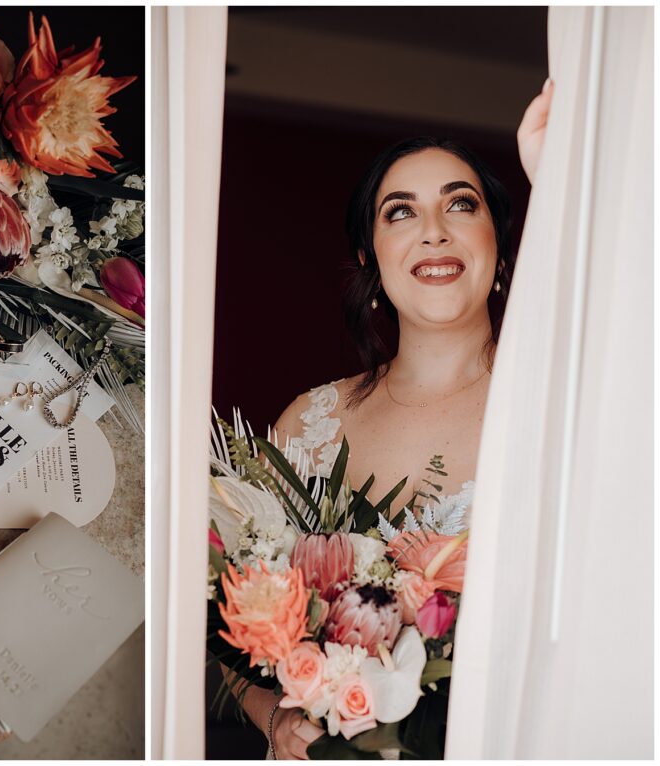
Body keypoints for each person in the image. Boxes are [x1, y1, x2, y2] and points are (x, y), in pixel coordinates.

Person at [230, 79, 555, 760]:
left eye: (460, 205)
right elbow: (233, 628)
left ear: (499, 245)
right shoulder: (307, 424)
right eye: (400, 212)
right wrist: (278, 723)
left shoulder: (554, 413)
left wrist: (558, 179)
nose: (434, 229)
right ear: (370, 261)